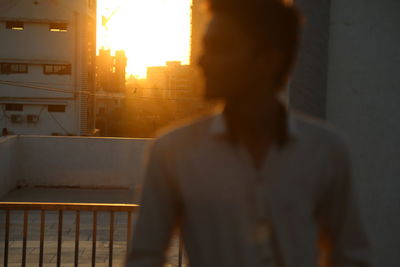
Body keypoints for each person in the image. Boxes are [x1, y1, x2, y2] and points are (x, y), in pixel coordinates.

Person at [126, 0, 372, 266]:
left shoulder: (325, 150)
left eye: (219, 47)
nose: (201, 60)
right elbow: (144, 257)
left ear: (268, 61)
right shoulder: (173, 152)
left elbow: (351, 256)